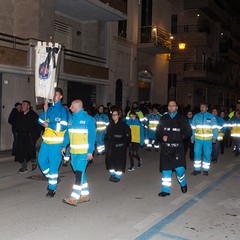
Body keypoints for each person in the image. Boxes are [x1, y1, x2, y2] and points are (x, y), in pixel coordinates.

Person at [62, 100, 96, 206]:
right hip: (74, 152)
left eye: (72, 106)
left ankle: (74, 197)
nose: (70, 107)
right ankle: (85, 195)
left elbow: (91, 137)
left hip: (83, 153)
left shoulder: (88, 119)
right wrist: (64, 145)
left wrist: (90, 152)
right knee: (80, 173)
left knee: (78, 174)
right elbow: (68, 134)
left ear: (77, 107)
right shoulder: (71, 119)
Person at [156, 100, 192, 197]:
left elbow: (188, 132)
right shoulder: (163, 118)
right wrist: (161, 137)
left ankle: (183, 183)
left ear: (176, 107)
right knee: (166, 170)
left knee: (180, 170)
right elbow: (158, 132)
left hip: (177, 149)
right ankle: (165, 190)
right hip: (166, 149)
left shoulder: (182, 119)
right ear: (167, 107)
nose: (171, 107)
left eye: (173, 106)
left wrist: (180, 137)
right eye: (169, 105)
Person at [38, 87, 69, 198]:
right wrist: (45, 111)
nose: (54, 97)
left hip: (56, 144)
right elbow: (41, 121)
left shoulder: (63, 111)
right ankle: (53, 179)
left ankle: (52, 188)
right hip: (46, 142)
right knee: (41, 161)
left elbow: (63, 126)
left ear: (61, 96)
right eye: (53, 95)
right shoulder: (50, 108)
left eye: (56, 95)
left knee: (53, 166)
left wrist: (50, 124)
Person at [191, 103, 218, 176]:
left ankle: (206, 170)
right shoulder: (196, 116)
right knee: (197, 153)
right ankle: (197, 169)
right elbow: (193, 128)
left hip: (208, 140)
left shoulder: (211, 116)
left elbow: (215, 128)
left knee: (207, 154)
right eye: (201, 107)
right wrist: (192, 137)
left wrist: (214, 137)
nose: (202, 108)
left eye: (204, 107)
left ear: (207, 108)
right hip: (198, 139)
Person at [105, 109, 131, 182]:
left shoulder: (124, 125)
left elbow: (128, 137)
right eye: (112, 115)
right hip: (111, 146)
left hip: (120, 147)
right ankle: (112, 174)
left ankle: (117, 176)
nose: (113, 116)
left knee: (119, 162)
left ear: (119, 116)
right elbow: (107, 135)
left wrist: (124, 144)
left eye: (115, 114)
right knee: (110, 161)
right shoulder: (110, 125)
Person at [14, 100, 41, 173]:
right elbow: (16, 123)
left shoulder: (33, 115)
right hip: (21, 136)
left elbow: (38, 126)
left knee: (30, 150)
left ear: (28, 106)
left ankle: (34, 163)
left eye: (24, 105)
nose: (22, 107)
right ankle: (23, 166)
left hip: (30, 136)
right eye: (22, 105)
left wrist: (34, 136)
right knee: (21, 151)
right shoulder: (20, 115)